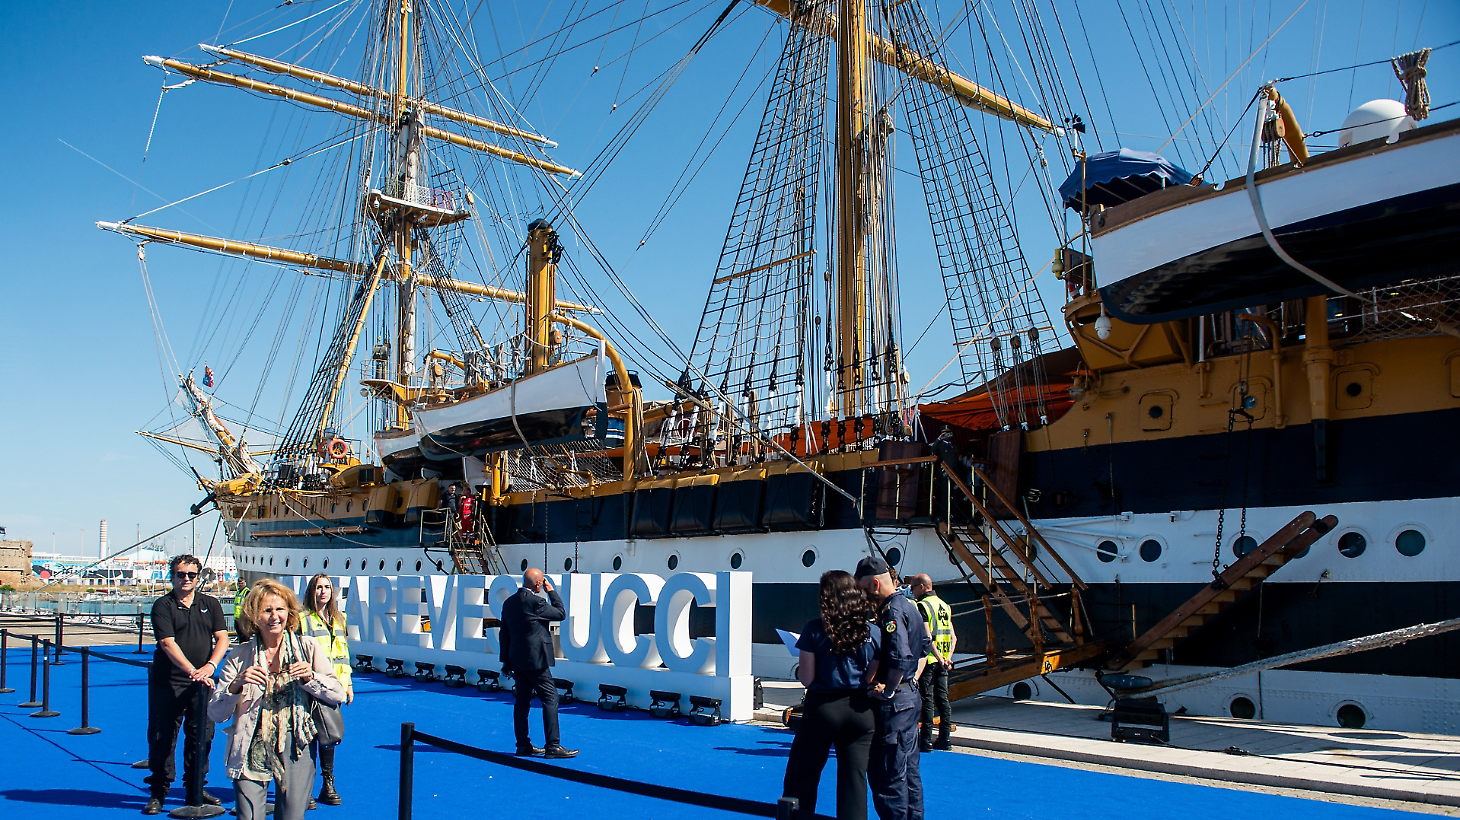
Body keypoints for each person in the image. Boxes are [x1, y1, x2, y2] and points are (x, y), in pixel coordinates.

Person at [211, 579, 345, 820]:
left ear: (289, 613)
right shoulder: (240, 655)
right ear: (254, 616)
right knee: (249, 817)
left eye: (280, 609)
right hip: (250, 745)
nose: (275, 616)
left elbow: (337, 692)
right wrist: (236, 685)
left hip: (296, 743)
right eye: (267, 610)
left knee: (291, 816)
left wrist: (310, 678)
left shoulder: (308, 647)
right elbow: (216, 713)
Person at [782, 571, 881, 820]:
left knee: (802, 774)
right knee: (854, 780)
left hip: (823, 708)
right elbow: (871, 675)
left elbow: (807, 678)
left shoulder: (814, 629)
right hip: (860, 710)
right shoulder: (873, 632)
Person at [145, 554, 230, 814]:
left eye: (191, 575)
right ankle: (159, 790)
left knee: (201, 736)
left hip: (202, 685)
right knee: (163, 738)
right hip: (169, 682)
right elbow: (167, 643)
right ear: (172, 576)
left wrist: (210, 667)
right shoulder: (163, 605)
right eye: (181, 574)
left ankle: (195, 786)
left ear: (198, 577)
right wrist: (193, 670)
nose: (186, 579)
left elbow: (222, 638)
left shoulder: (210, 604)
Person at [856, 556, 932, 820]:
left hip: (894, 705)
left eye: (864, 591)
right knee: (909, 772)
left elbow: (899, 656)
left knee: (887, 775)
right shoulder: (910, 606)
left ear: (875, 584)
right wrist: (910, 682)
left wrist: (888, 689)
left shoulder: (892, 613)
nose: (863, 600)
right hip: (910, 698)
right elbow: (923, 649)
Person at [498, 568, 577, 758]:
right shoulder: (536, 601)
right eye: (542, 582)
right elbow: (560, 613)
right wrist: (552, 592)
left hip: (517, 660)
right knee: (550, 698)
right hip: (537, 660)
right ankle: (553, 746)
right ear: (538, 584)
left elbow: (504, 634)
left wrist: (506, 661)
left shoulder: (509, 603)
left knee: (522, 702)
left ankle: (523, 745)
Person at [299, 574, 353, 806]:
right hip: (309, 686)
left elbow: (343, 654)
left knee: (329, 735)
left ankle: (328, 784)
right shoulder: (302, 619)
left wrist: (348, 684)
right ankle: (305, 788)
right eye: (318, 587)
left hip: (333, 687)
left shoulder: (339, 618)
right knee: (307, 735)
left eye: (327, 587)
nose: (323, 591)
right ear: (311, 591)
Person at [910, 575, 956, 752]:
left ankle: (926, 740)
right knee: (943, 699)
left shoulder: (923, 606)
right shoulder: (945, 605)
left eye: (913, 588)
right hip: (945, 660)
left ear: (922, 587)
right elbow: (953, 636)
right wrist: (947, 658)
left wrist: (937, 656)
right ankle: (945, 739)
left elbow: (927, 637)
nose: (912, 592)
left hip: (930, 660)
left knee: (927, 700)